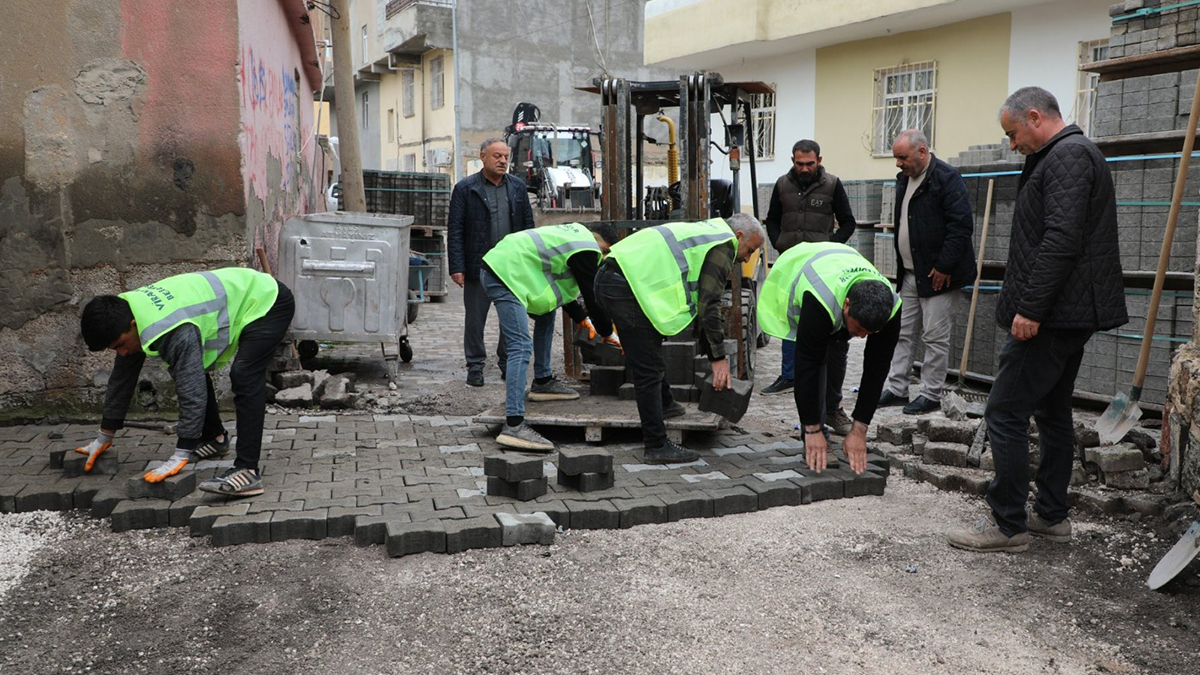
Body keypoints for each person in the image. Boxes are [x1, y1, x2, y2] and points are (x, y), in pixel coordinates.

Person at [947, 87, 1127, 553]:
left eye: (1012, 134)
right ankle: (1050, 516)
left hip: (1051, 314)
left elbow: (1061, 240)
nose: (1011, 144)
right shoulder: (1065, 155)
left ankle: (1008, 526)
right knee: (1052, 411)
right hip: (1066, 312)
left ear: (1034, 117)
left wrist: (1031, 308)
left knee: (1005, 412)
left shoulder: (1067, 157)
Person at [77, 267, 295, 497]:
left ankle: (248, 470)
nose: (121, 353)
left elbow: (191, 390)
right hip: (248, 292)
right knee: (189, 368)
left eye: (120, 345)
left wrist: (182, 452)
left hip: (267, 301)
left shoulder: (171, 329)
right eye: (115, 349)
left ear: (132, 324)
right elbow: (121, 379)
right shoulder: (126, 313)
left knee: (244, 375)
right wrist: (105, 435)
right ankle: (215, 438)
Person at [594, 214, 764, 464]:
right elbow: (709, 305)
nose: (747, 258)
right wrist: (718, 358)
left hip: (613, 279)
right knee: (647, 369)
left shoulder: (708, 231)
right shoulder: (723, 244)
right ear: (738, 236)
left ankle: (665, 403)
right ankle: (656, 445)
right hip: (623, 286)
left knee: (648, 349)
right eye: (749, 249)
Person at [757, 242, 902, 475]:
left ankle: (832, 411)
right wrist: (812, 428)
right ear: (847, 305)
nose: (863, 337)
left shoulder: (891, 308)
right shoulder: (820, 299)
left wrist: (860, 428)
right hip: (798, 269)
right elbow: (807, 365)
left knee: (838, 353)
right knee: (819, 357)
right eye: (860, 328)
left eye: (870, 333)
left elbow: (877, 369)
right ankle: (817, 431)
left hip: (840, 269)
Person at [481, 222, 621, 452]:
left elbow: (563, 291)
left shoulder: (571, 237)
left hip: (508, 267)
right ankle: (514, 424)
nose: (601, 257)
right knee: (520, 346)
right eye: (605, 250)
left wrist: (581, 319)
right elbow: (592, 296)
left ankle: (543, 382)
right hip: (503, 274)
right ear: (597, 238)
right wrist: (608, 333)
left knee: (546, 314)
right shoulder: (586, 247)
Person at [761, 139, 857, 437]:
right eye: (799, 163)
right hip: (791, 268)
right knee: (792, 325)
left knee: (833, 340)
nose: (804, 169)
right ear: (793, 160)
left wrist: (830, 247)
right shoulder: (781, 185)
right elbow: (772, 220)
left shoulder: (833, 185)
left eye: (809, 164)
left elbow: (849, 223)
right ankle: (790, 379)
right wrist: (779, 243)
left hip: (823, 270)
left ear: (819, 160)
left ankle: (833, 407)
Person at [878, 129, 976, 415]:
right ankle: (897, 389)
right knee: (901, 332)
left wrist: (945, 265)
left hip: (938, 276)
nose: (898, 163)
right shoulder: (904, 180)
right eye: (896, 157)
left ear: (922, 152)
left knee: (934, 336)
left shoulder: (947, 178)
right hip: (909, 273)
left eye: (902, 157)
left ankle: (931, 393)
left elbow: (961, 227)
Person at [448, 138, 535, 387]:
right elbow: (455, 229)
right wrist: (457, 266)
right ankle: (475, 367)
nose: (503, 161)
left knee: (511, 317)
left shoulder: (517, 187)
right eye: (497, 156)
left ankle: (508, 363)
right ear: (483, 156)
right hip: (479, 266)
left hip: (511, 267)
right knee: (475, 320)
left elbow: (528, 228)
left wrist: (529, 262)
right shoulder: (466, 188)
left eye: (506, 157)